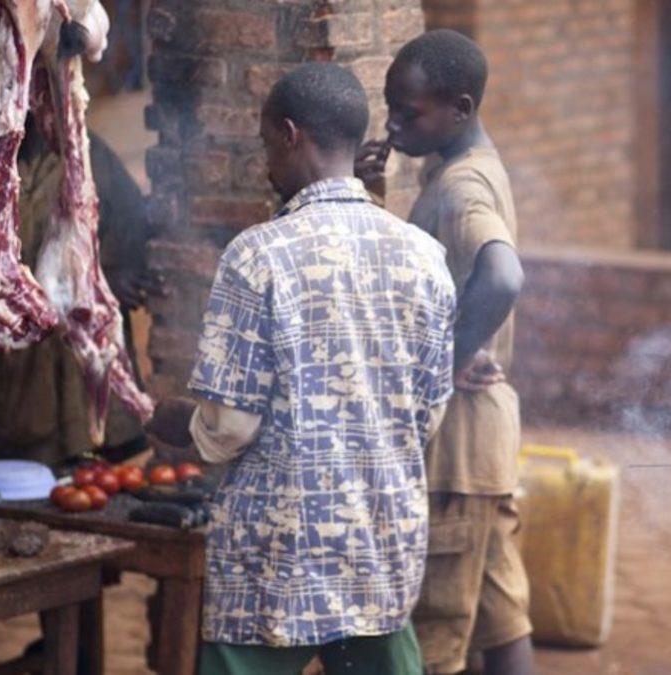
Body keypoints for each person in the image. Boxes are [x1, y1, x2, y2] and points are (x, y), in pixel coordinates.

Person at [144, 62, 456, 674]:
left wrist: (188, 423)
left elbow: (229, 427)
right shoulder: (425, 258)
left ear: (290, 135)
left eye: (265, 143)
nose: (265, 163)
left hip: (276, 557)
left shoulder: (256, 257)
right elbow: (427, 414)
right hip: (380, 541)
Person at [357, 30, 533, 675]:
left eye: (410, 112)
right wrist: (373, 196)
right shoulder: (458, 167)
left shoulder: (460, 190)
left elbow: (504, 277)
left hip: (457, 441)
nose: (395, 124)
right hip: (483, 440)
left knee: (435, 631)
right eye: (391, 108)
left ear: (460, 108)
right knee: (497, 608)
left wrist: (446, 359)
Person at [0, 25, 161, 468]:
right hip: (24, 410)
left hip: (104, 411)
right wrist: (55, 304)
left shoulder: (86, 156)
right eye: (15, 83)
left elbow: (137, 239)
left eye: (41, 81)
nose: (31, 97)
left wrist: (113, 281)